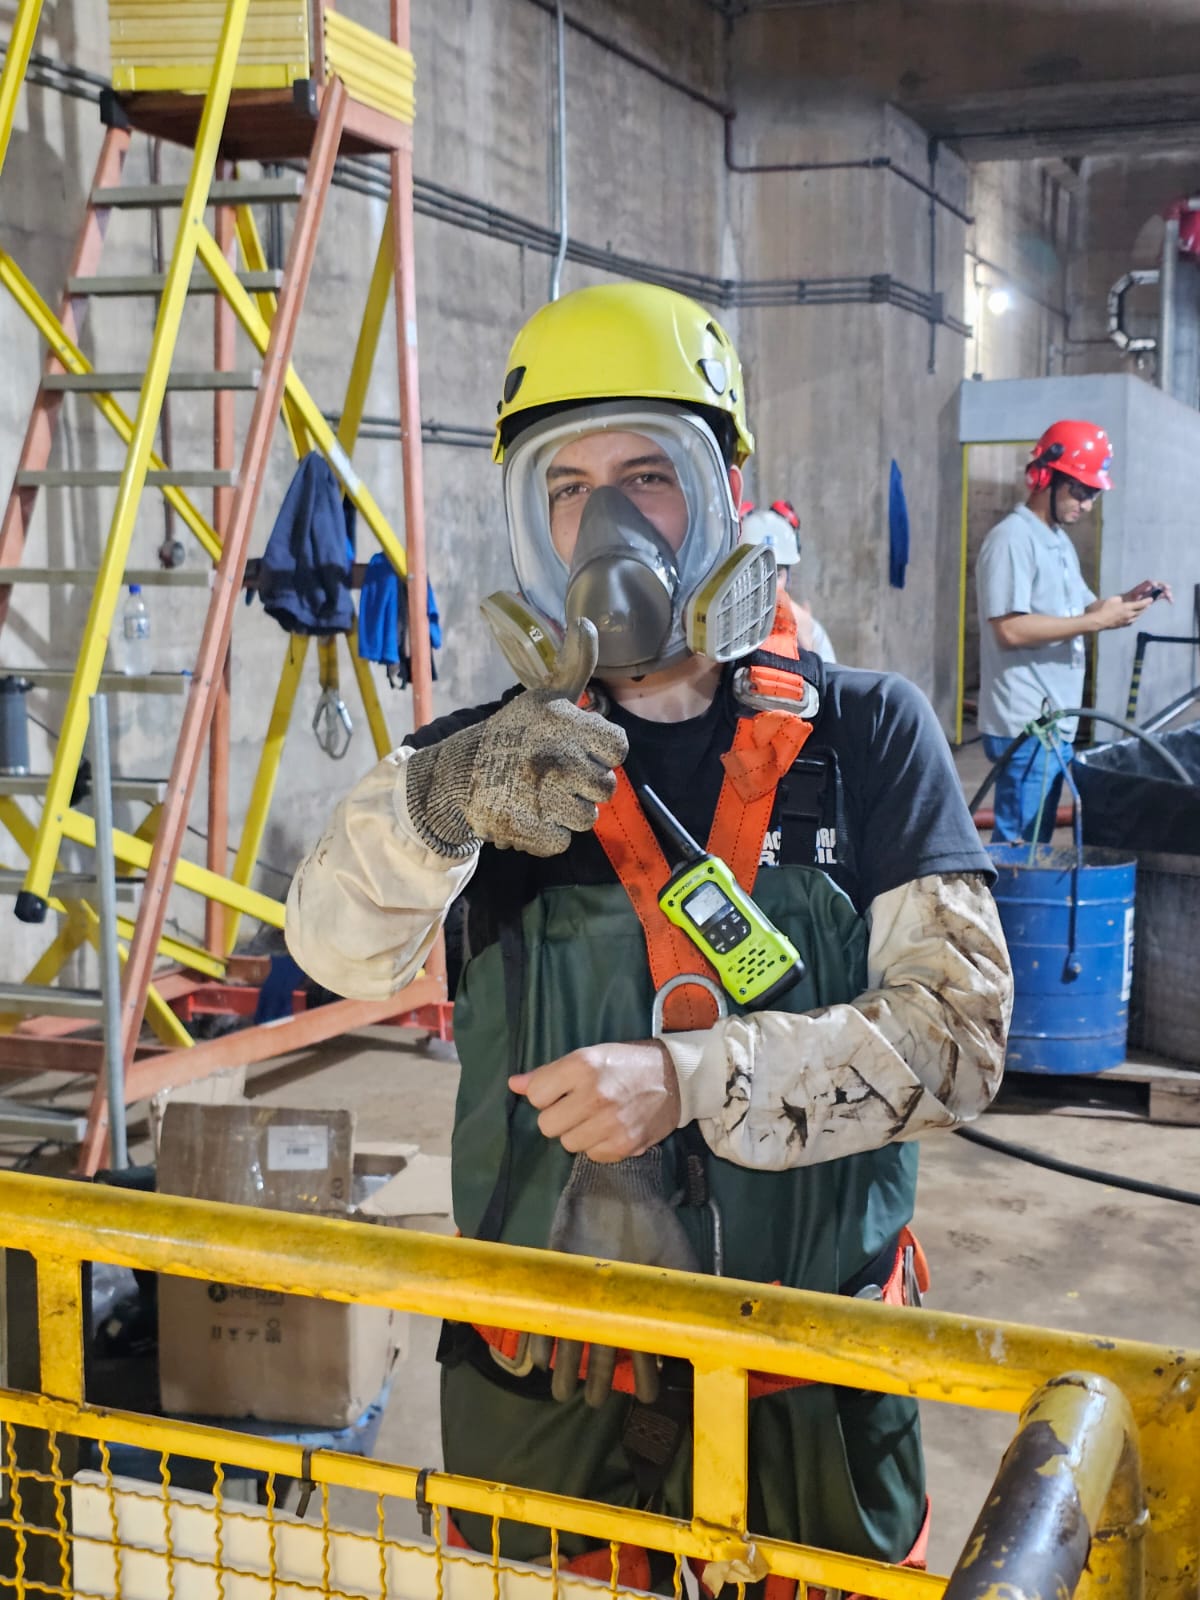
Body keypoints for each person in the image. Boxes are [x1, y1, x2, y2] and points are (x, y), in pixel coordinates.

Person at [286, 282, 1012, 1589]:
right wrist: (436, 806)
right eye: (566, 487)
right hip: (543, 1393)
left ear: (725, 488)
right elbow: (336, 953)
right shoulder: (483, 768)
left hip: (807, 1387)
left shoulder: (866, 736)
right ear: (530, 519)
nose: (605, 521)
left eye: (645, 476)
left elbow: (957, 1039)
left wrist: (693, 1078)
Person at [976, 420, 1172, 845]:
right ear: (1044, 477)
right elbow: (1009, 629)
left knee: (1036, 839)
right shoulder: (1012, 540)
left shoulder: (1058, 542)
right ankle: (1008, 893)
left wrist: (1128, 599)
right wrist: (1095, 622)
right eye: (1080, 490)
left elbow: (1082, 610)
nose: (1086, 504)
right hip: (1026, 721)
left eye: (1093, 494)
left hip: (1054, 721)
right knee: (1022, 846)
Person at [741, 498, 837, 662]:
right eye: (756, 573)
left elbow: (829, 675)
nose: (767, 585)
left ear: (788, 576)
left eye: (777, 575)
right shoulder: (720, 625)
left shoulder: (809, 629)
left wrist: (807, 651)